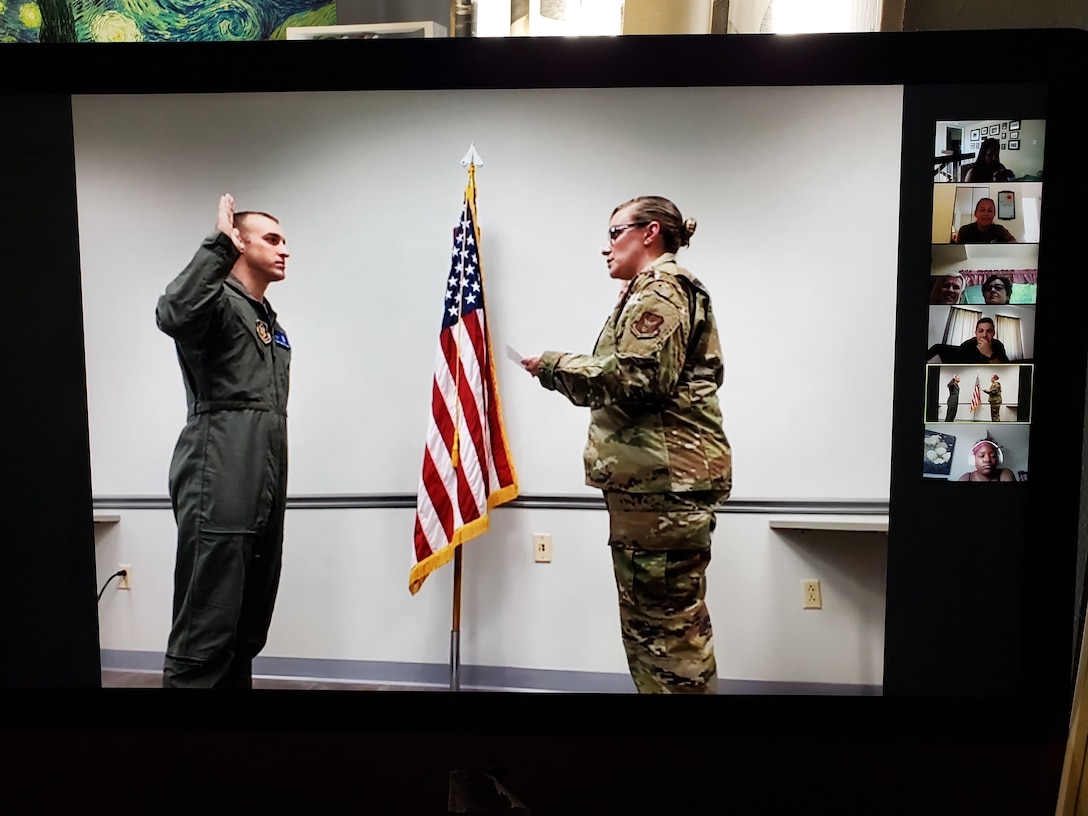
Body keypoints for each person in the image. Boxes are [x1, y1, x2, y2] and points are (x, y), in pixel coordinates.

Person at [521, 196, 732, 694]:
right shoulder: (651, 290)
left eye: (616, 233)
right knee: (658, 628)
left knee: (665, 635)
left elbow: (637, 378)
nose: (606, 246)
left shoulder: (662, 290)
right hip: (657, 487)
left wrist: (553, 366)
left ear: (650, 232)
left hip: (664, 487)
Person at [155, 193, 292, 688]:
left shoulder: (269, 322)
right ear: (240, 244)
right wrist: (216, 247)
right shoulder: (213, 305)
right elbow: (172, 312)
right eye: (272, 239)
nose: (285, 250)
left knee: (245, 623)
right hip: (220, 473)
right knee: (208, 627)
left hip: (264, 476)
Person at [953, 198, 1017, 244]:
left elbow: (1013, 243)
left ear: (994, 214)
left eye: (990, 211)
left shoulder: (1000, 230)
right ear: (975, 213)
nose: (986, 214)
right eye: (982, 210)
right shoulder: (964, 231)